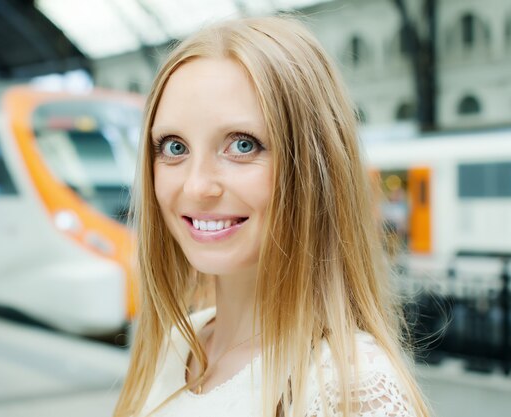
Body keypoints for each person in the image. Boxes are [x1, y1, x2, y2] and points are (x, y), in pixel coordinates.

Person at [114, 16, 431, 417]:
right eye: (174, 148)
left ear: (317, 171)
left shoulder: (351, 390)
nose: (195, 187)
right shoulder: (180, 342)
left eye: (242, 145)